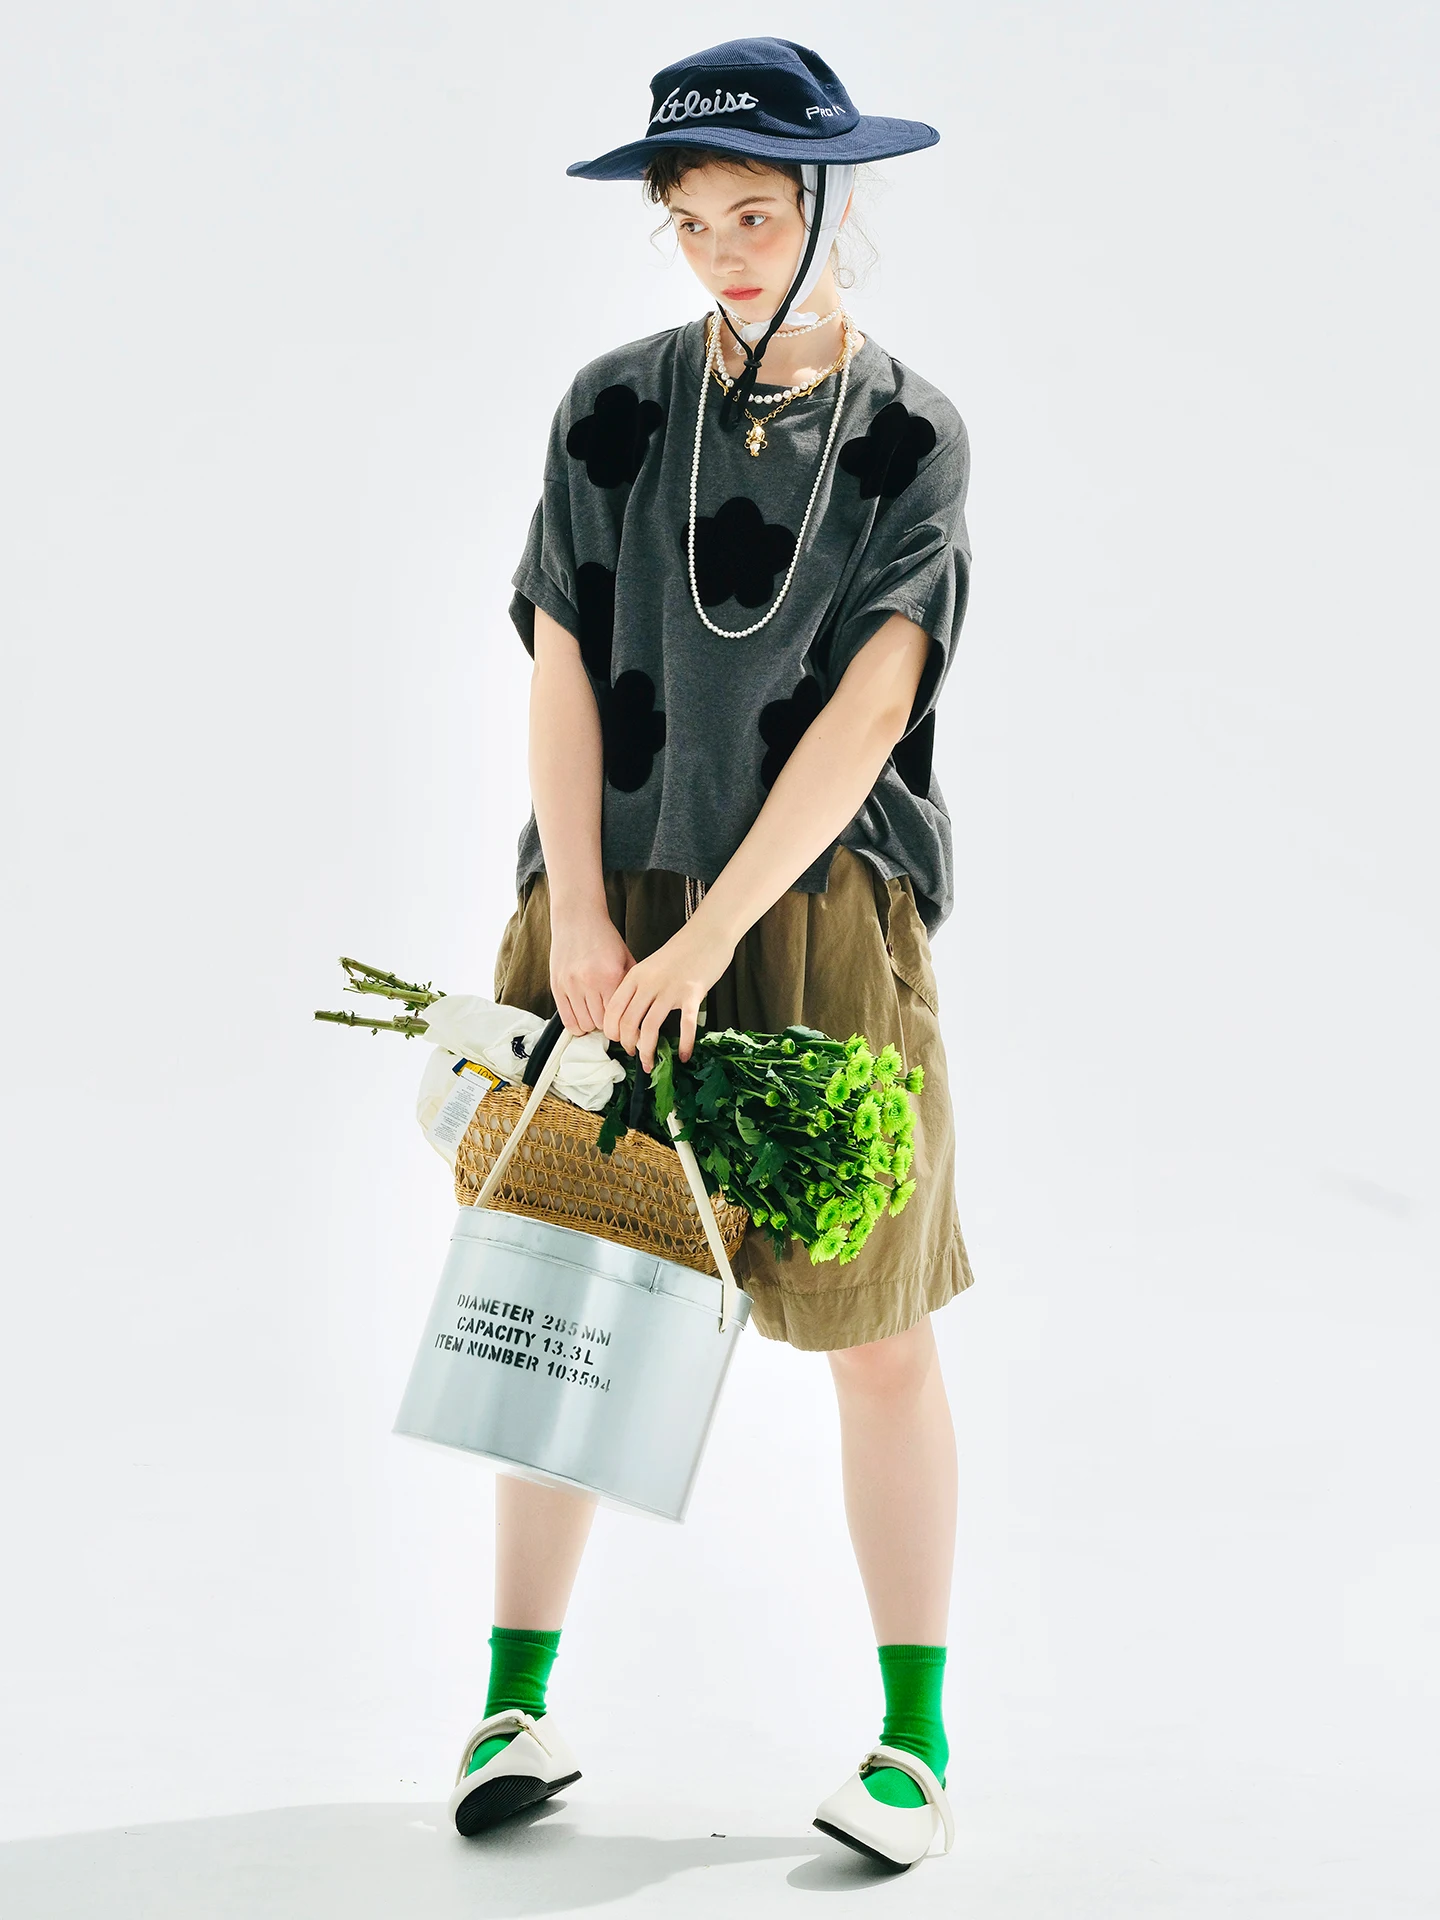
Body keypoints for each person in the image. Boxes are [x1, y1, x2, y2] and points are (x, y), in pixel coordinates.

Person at [450, 39, 974, 1872]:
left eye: (757, 212)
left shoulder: (910, 433)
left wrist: (718, 934)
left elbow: (872, 708)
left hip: (815, 914)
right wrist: (591, 918)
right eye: (691, 222)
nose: (726, 251)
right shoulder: (611, 405)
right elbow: (562, 655)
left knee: (873, 1327)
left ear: (830, 200)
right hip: (608, 908)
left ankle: (913, 1743)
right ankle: (511, 1700)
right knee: (559, 1309)